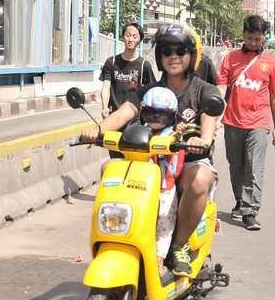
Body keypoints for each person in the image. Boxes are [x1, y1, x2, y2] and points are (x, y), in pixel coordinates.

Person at [82, 24, 222, 276]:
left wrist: (204, 139)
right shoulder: (149, 92)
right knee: (110, 168)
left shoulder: (204, 90)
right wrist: (97, 131)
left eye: (180, 51)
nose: (173, 57)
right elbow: (125, 112)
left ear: (190, 55)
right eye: (167, 51)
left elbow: (209, 123)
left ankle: (177, 246)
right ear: (160, 56)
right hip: (151, 161)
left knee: (201, 179)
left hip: (189, 162)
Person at [217, 15, 275, 231]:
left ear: (264, 37)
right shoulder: (230, 58)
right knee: (236, 166)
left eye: (257, 39)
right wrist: (215, 114)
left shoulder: (271, 63)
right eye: (249, 38)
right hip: (233, 122)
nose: (253, 43)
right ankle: (240, 200)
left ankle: (250, 211)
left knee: (254, 167)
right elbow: (220, 87)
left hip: (259, 122)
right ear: (243, 35)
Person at [137, 87, 186, 277]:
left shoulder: (171, 135)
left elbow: (175, 139)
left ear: (172, 116)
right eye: (151, 113)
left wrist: (178, 134)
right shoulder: (137, 131)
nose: (155, 118)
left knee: (164, 221)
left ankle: (158, 258)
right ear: (142, 111)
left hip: (164, 188)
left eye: (161, 114)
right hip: (139, 185)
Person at [99, 22, 156, 119]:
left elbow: (151, 92)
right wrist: (104, 106)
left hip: (134, 118)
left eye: (135, 36)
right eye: (128, 35)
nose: (131, 39)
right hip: (113, 116)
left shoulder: (144, 65)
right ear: (123, 37)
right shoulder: (111, 62)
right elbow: (106, 86)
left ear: (140, 40)